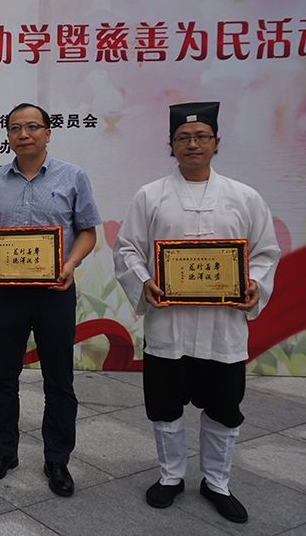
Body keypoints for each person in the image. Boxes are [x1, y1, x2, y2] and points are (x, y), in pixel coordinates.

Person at [113, 101, 280, 523]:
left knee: (224, 408)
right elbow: (128, 248)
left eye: (201, 136)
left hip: (223, 329)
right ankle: (170, 477)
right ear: (170, 145)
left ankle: (217, 482)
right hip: (168, 325)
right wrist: (143, 280)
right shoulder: (150, 196)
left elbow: (265, 252)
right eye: (183, 138)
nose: (192, 144)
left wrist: (253, 284)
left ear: (216, 143)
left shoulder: (244, 197)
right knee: (165, 406)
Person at [0, 102, 100, 497]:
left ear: (47, 133)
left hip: (54, 293)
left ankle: (57, 458)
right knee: (3, 376)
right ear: (8, 135)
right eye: (15, 128)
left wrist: (70, 264)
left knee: (59, 378)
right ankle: (3, 451)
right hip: (7, 295)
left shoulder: (73, 177)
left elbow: (87, 232)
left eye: (31, 127)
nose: (23, 134)